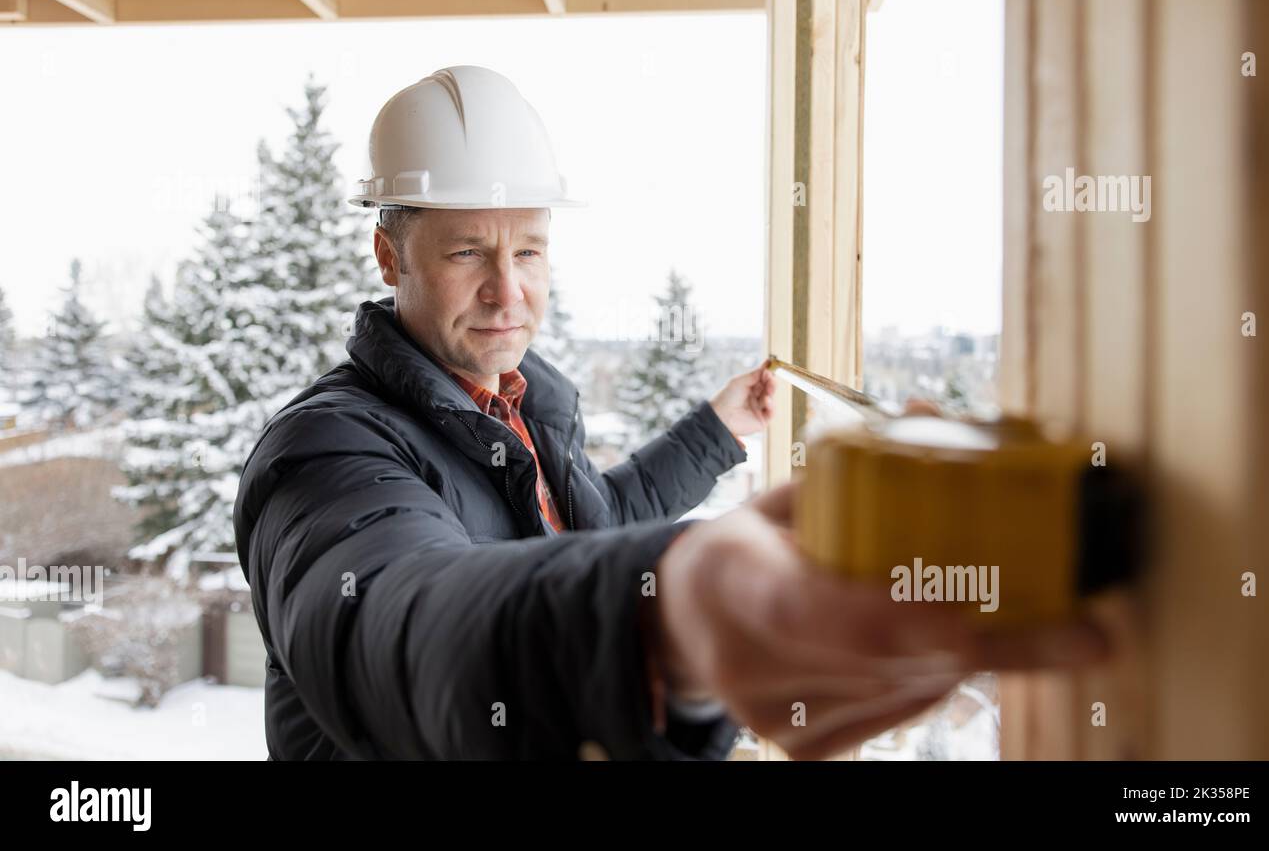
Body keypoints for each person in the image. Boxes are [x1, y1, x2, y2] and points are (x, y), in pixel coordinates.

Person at [234, 66, 1108, 760]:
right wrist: (656, 622)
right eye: (468, 251)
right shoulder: (322, 452)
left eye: (530, 249)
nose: (510, 290)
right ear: (390, 254)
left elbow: (595, 524)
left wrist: (716, 432)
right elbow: (399, 624)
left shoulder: (524, 409)